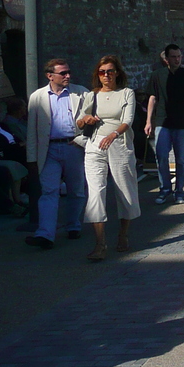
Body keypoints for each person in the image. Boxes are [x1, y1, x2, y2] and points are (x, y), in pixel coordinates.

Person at [76, 56, 139, 261]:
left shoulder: (126, 93)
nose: (106, 75)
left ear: (117, 73)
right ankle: (100, 243)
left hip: (118, 144)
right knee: (95, 192)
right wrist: (86, 119)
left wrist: (114, 135)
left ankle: (123, 233)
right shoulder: (91, 95)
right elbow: (79, 122)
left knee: (125, 190)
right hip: (95, 144)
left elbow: (127, 120)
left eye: (110, 71)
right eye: (102, 72)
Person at [26, 58, 88, 249]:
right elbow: (32, 130)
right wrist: (32, 158)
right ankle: (45, 234)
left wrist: (83, 142)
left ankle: (73, 225)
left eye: (68, 72)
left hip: (74, 146)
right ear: (49, 76)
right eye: (63, 73)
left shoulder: (81, 92)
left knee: (76, 191)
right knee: (49, 191)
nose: (68, 76)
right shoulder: (37, 97)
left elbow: (92, 121)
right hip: (49, 149)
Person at [145, 43, 184, 205]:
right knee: (161, 157)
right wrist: (149, 121)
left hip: (182, 122)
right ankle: (165, 188)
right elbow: (152, 98)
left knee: (181, 159)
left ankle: (180, 190)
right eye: (173, 57)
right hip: (163, 121)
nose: (177, 59)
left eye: (179, 56)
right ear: (166, 59)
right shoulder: (157, 75)